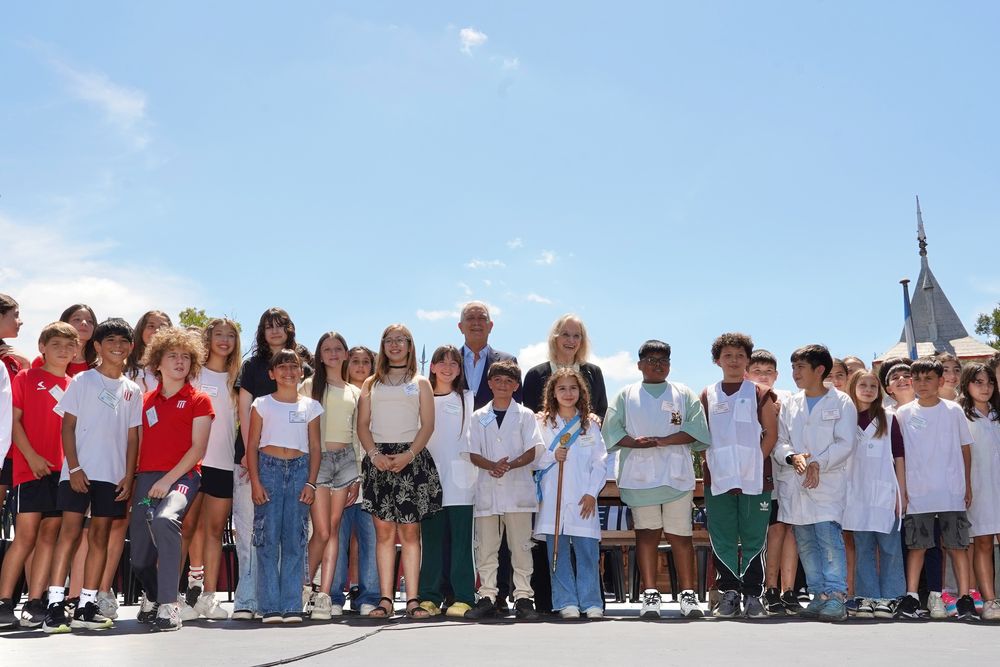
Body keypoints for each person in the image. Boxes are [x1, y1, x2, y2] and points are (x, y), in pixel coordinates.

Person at [41, 319, 143, 633]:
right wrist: (73, 468)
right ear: (97, 346)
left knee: (99, 538)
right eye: (110, 340)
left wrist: (128, 475)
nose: (118, 346)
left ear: (131, 346)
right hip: (77, 473)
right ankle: (55, 606)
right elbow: (67, 426)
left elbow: (132, 437)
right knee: (69, 536)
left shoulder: (132, 389)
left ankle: (87, 606)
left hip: (112, 477)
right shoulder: (83, 380)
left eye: (124, 341)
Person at [602, 340, 711, 619]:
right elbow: (610, 432)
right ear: (639, 365)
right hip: (639, 477)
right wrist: (635, 443)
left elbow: (698, 430)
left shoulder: (683, 393)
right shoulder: (626, 395)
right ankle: (650, 594)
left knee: (681, 535)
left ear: (670, 364)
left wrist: (663, 441)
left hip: (676, 477)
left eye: (663, 360)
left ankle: (688, 594)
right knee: (646, 534)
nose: (657, 364)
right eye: (650, 360)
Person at [130, 328, 214, 631]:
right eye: (173, 356)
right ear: (157, 363)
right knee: (138, 555)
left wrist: (168, 479)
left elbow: (198, 449)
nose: (180, 362)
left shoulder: (199, 400)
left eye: (186, 357)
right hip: (145, 482)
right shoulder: (145, 401)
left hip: (183, 478)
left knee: (166, 519)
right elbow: (136, 444)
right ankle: (153, 595)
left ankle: (169, 603)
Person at [357, 324, 441, 619]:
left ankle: (413, 600)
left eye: (400, 340)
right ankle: (385, 600)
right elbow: (362, 425)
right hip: (378, 459)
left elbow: (428, 425)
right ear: (382, 346)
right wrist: (374, 455)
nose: (394, 345)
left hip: (412, 460)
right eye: (388, 340)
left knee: (409, 532)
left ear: (409, 345)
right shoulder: (370, 383)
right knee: (383, 534)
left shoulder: (421, 382)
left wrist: (408, 455)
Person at [0, 322, 77, 630]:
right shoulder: (26, 377)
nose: (63, 350)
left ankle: (35, 602)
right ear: (42, 347)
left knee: (49, 537)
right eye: (55, 343)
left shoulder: (76, 385)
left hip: (62, 474)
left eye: (69, 345)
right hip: (28, 470)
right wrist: (31, 456)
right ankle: (5, 601)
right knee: (26, 536)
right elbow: (14, 422)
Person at [773, 344, 857, 622]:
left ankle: (835, 596)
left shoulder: (842, 401)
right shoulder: (790, 403)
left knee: (829, 540)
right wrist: (792, 457)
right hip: (796, 484)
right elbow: (780, 441)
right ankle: (818, 595)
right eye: (793, 367)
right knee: (806, 542)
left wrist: (818, 462)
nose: (795, 373)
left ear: (819, 370)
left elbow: (846, 442)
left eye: (801, 367)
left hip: (827, 484)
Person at [701, 333, 778, 619]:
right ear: (717, 360)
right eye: (727, 355)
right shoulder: (707, 394)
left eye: (740, 355)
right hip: (718, 479)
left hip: (755, 479)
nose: (734, 360)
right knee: (722, 535)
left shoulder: (759, 392)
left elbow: (771, 433)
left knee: (754, 535)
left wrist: (753, 464)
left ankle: (753, 595)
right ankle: (730, 593)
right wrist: (717, 465)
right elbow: (701, 436)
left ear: (747, 360)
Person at [894, 356, 975, 620]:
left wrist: (967, 485)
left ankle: (964, 599)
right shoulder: (903, 414)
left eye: (929, 378)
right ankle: (912, 596)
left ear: (941, 381)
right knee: (918, 546)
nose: (922, 383)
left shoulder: (953, 411)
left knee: (957, 546)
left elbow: (965, 449)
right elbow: (900, 457)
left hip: (951, 492)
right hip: (918, 492)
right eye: (916, 378)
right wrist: (903, 491)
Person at [464, 359, 543, 621]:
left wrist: (509, 466)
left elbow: (533, 449)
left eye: (509, 381)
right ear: (489, 383)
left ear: (516, 386)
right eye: (497, 380)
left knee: (521, 547)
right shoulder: (478, 416)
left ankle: (523, 597)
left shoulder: (526, 415)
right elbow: (472, 452)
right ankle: (487, 595)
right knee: (486, 547)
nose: (503, 385)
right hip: (487, 489)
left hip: (517, 489)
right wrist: (492, 466)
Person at [246, 349, 321, 623]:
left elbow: (315, 446)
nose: (288, 372)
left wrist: (311, 483)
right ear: (272, 373)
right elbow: (252, 445)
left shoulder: (311, 406)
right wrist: (255, 481)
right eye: (282, 367)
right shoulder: (262, 404)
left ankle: (291, 604)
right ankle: (269, 607)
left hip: (300, 470)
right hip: (269, 469)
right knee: (267, 538)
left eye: (294, 367)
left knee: (295, 539)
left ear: (301, 372)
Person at [232, 307, 297, 620]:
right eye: (268, 326)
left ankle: (280, 600)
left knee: (285, 535)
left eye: (280, 325)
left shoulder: (300, 363)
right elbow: (244, 410)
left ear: (289, 329)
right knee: (248, 530)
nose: (274, 331)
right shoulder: (252, 365)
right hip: (250, 459)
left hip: (291, 463)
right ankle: (247, 600)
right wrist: (248, 451)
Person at [179, 318, 241, 621]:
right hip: (192, 463)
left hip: (223, 464)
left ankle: (208, 597)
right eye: (219, 335)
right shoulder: (193, 372)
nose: (225, 340)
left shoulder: (236, 378)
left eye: (231, 336)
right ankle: (169, 596)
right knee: (186, 529)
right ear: (208, 338)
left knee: (215, 531)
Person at [534, 368, 608, 619]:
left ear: (581, 392)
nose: (567, 393)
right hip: (554, 496)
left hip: (583, 498)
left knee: (587, 552)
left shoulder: (589, 425)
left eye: (573, 388)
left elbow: (600, 462)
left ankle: (591, 602)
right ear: (553, 392)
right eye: (562, 388)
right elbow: (533, 457)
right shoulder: (542, 423)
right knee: (559, 551)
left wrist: (591, 493)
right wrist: (551, 456)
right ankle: (566, 602)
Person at [299, 332, 361, 619]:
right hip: (318, 461)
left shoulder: (355, 392)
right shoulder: (309, 386)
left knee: (334, 531)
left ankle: (324, 595)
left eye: (338, 349)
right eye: (327, 349)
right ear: (319, 355)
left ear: (345, 354)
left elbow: (359, 435)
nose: (333, 353)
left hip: (346, 461)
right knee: (321, 531)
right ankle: (303, 587)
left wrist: (358, 475)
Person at [418, 345, 478, 618]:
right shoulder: (420, 397)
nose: (447, 367)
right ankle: (430, 596)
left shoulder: (468, 397)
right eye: (441, 362)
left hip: (461, 481)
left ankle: (463, 596)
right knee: (431, 542)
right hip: (428, 478)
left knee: (461, 542)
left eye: (454, 363)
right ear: (431, 367)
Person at [841, 369, 906, 619]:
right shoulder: (846, 418)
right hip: (855, 492)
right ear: (853, 387)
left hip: (885, 492)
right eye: (863, 385)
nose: (868, 389)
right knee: (863, 547)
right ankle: (866, 597)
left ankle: (891, 598)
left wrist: (902, 492)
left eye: (873, 386)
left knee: (889, 547)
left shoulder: (889, 418)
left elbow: (899, 456)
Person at [747, 349, 803, 615]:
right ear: (747, 373)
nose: (763, 376)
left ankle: (786, 589)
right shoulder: (742, 397)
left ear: (777, 375)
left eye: (768, 372)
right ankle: (764, 588)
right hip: (753, 476)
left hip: (785, 476)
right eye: (757, 371)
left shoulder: (789, 399)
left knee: (785, 530)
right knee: (764, 533)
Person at [331, 345, 379, 616]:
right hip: (341, 475)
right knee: (337, 537)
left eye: (366, 362)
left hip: (372, 475)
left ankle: (369, 595)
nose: (360, 366)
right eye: (356, 361)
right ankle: (335, 596)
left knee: (370, 538)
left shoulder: (379, 395)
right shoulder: (341, 393)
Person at [958, 363, 1000, 621]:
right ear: (967, 384)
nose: (985, 388)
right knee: (983, 542)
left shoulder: (998, 413)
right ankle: (990, 601)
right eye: (978, 382)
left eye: (989, 383)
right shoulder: (960, 415)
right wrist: (966, 486)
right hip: (979, 488)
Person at [521, 314, 608, 420]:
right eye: (565, 334)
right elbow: (528, 418)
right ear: (555, 338)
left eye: (576, 336)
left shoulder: (594, 373)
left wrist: (596, 418)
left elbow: (603, 413)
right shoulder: (534, 375)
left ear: (582, 341)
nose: (571, 340)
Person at [458, 301, 520, 410]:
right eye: (470, 318)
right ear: (460, 327)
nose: (476, 322)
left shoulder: (508, 361)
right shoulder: (447, 363)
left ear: (490, 326)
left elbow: (516, 405)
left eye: (482, 318)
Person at [0, 294, 25, 504]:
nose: (21, 321)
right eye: (15, 315)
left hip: (8, 453)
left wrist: (26, 364)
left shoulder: (13, 359)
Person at [32, 305, 98, 376]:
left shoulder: (102, 363)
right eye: (77, 319)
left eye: (90, 321)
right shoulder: (42, 361)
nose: (84, 323)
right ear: (64, 324)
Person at [126, 310, 173, 392]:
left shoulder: (179, 362)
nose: (157, 331)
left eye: (163, 327)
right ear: (141, 330)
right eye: (151, 326)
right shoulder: (125, 361)